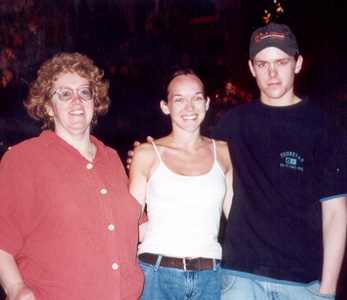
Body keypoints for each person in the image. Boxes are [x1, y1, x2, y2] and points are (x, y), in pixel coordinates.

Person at [211, 23, 347, 299]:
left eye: (281, 62)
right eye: (263, 64)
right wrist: (151, 153)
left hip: (302, 283)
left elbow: (335, 212)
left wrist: (328, 289)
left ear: (297, 64)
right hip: (240, 279)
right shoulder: (232, 125)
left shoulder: (324, 128)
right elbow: (193, 162)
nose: (272, 73)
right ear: (251, 68)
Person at [0, 52, 144, 300]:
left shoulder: (111, 159)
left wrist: (161, 165)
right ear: (48, 107)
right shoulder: (23, 160)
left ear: (94, 101)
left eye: (84, 92)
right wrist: (16, 288)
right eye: (64, 94)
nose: (77, 100)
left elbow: (138, 229)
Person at [129, 68, 233, 299]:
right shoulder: (146, 153)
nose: (189, 107)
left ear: (207, 103)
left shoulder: (224, 152)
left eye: (197, 98)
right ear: (165, 107)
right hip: (155, 275)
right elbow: (130, 221)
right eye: (179, 99)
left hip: (210, 278)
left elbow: (238, 219)